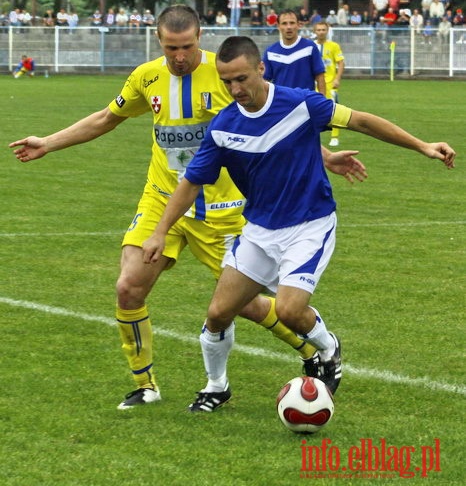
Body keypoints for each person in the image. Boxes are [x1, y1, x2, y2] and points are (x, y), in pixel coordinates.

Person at [9, 5, 366, 410]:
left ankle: (310, 350)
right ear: (158, 41)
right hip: (163, 199)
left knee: (243, 306)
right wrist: (49, 142)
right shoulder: (146, 77)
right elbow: (108, 118)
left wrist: (323, 156)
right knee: (128, 286)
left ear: (200, 38)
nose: (179, 56)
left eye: (187, 46)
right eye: (170, 47)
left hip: (221, 208)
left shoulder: (226, 73)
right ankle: (146, 385)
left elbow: (273, 124)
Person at [142, 36, 455, 413]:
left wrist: (423, 145)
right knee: (218, 313)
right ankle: (216, 386)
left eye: (241, 78)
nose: (235, 89)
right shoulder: (223, 126)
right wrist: (160, 231)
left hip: (309, 225)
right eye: (227, 82)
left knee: (290, 311)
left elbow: (363, 121)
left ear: (261, 69)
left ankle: (327, 348)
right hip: (258, 231)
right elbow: (191, 182)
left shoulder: (301, 104)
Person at [262, 9, 325, 95]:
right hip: (281, 104)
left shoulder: (310, 47)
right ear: (278, 26)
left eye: (292, 23)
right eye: (284, 23)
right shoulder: (270, 52)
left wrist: (323, 103)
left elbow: (320, 76)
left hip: (306, 103)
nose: (289, 27)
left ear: (298, 25)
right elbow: (264, 81)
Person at [314, 21, 345, 146]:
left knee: (333, 110)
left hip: (330, 84)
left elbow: (341, 62)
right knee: (312, 110)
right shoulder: (311, 46)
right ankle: (314, 136)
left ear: (327, 31)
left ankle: (335, 136)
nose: (321, 32)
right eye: (318, 30)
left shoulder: (333, 46)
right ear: (314, 32)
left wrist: (337, 78)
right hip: (314, 84)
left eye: (323, 30)